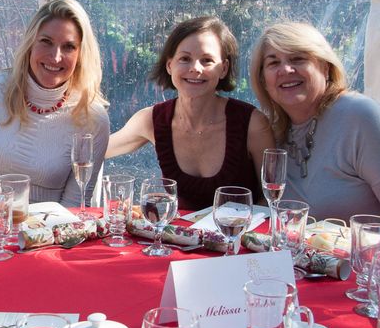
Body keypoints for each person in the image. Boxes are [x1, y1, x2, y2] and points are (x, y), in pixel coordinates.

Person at [249, 21, 380, 264]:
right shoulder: (274, 133)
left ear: (325, 68)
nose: (286, 69)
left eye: (298, 58)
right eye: (273, 63)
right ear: (263, 80)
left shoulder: (360, 116)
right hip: (325, 271)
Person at [0, 0, 110, 212]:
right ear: (30, 42)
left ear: (81, 55)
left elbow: (75, 205)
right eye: (46, 42)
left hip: (43, 229)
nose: (56, 57)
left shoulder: (92, 118)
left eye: (69, 47)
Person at [106, 16, 273, 209]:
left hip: (238, 236)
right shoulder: (151, 120)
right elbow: (92, 152)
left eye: (207, 60)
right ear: (170, 65)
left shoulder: (252, 124)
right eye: (185, 59)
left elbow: (270, 199)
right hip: (178, 237)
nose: (195, 68)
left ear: (224, 69)